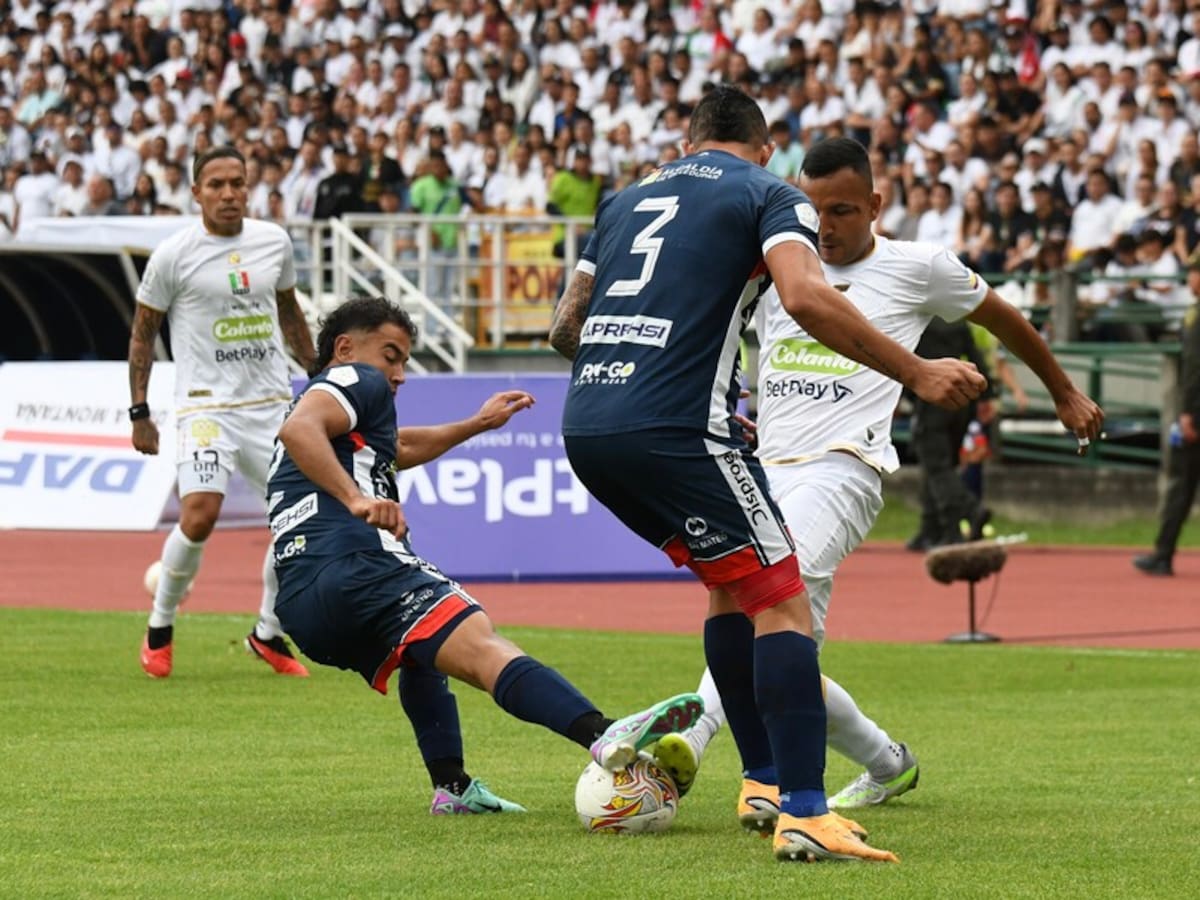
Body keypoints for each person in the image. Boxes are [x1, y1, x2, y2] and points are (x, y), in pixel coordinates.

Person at [549, 87, 989, 864]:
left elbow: (566, 328)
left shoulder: (625, 200)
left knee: (731, 586)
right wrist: (917, 370)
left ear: (687, 140)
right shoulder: (766, 192)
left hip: (589, 424)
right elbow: (806, 296)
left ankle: (761, 779)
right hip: (678, 429)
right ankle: (807, 810)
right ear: (761, 147)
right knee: (781, 603)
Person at [666, 136, 1102, 811]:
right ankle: (885, 760)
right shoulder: (776, 270)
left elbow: (1005, 317)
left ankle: (691, 738)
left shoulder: (918, 266)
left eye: (841, 210)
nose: (824, 227)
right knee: (778, 653)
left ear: (875, 203)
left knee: (763, 611)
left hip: (845, 469)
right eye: (811, 210)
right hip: (763, 473)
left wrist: (1063, 392)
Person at [267, 295, 703, 812]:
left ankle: (453, 789)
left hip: (301, 602)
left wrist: (476, 424)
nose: (400, 374)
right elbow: (299, 431)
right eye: (391, 355)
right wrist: (358, 498)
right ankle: (605, 733)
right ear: (345, 348)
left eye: (404, 360)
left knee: (420, 652)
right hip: (356, 562)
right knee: (480, 641)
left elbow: (398, 449)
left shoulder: (347, 419)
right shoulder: (351, 380)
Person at [129, 146, 318, 679]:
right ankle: (161, 625)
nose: (229, 193)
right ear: (196, 193)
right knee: (201, 513)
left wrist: (318, 373)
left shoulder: (272, 241)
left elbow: (289, 313)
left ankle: (268, 633)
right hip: (205, 407)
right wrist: (140, 410)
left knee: (298, 517)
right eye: (216, 185)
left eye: (237, 182)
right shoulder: (173, 255)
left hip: (269, 406)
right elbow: (142, 333)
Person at [1134, 258, 1200, 576]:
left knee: (1180, 485)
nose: (1191, 278)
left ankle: (1163, 554)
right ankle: (1163, 551)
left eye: (1195, 272)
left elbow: (1194, 371)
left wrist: (1189, 414)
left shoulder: (1196, 316)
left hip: (1197, 414)